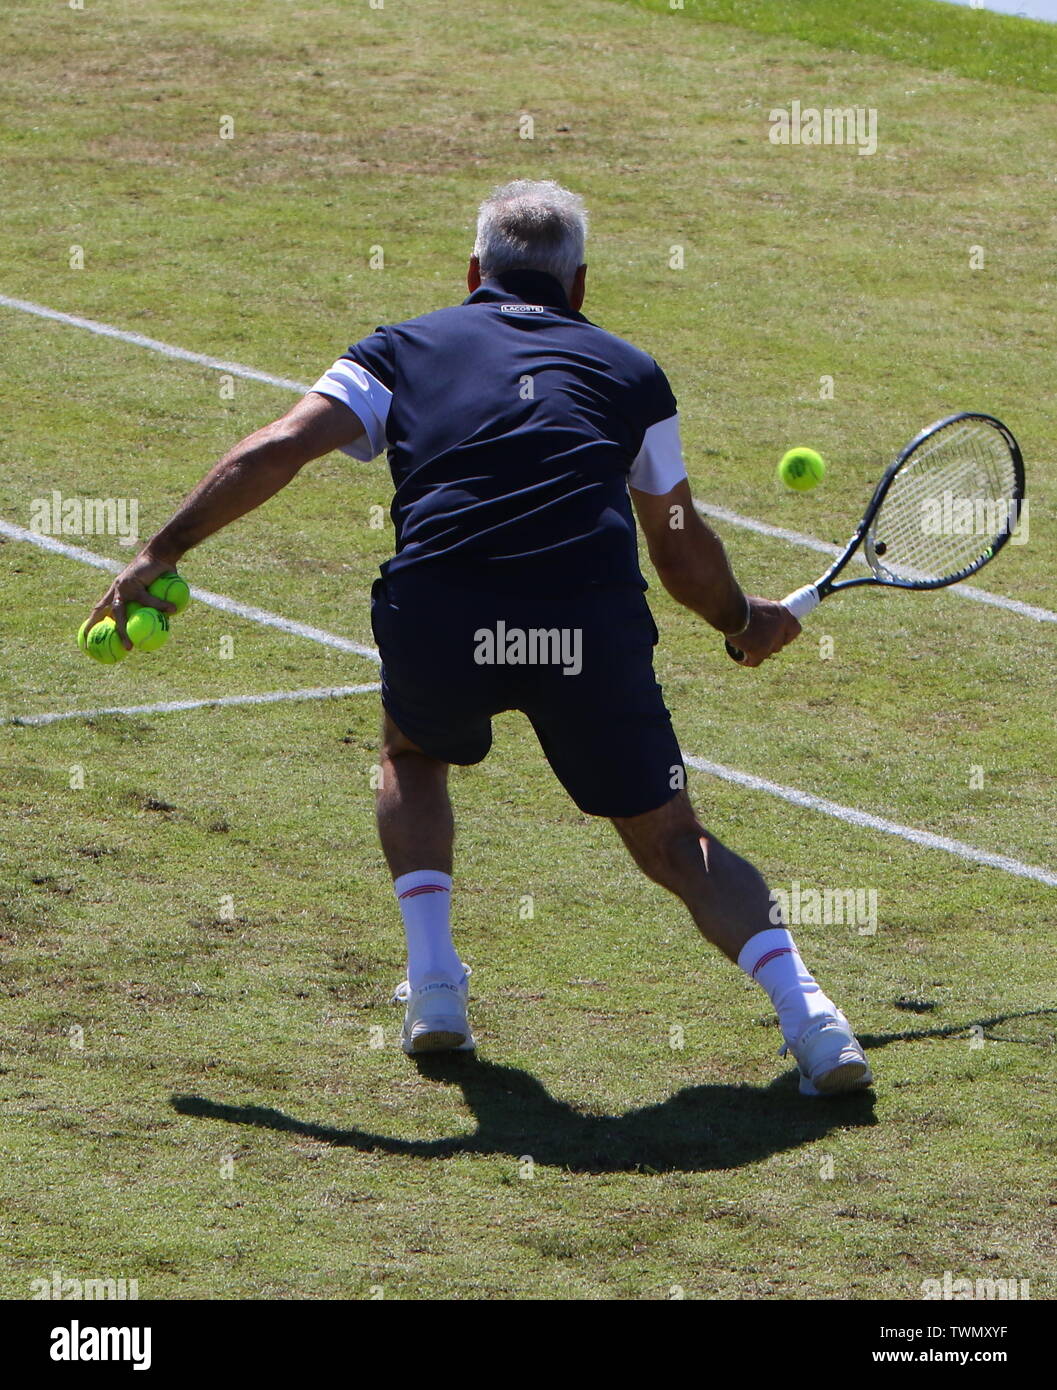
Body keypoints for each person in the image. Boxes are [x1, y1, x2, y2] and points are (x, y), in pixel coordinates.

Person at [86, 179, 872, 1097]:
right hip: (586, 626)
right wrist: (743, 622)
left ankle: (434, 990)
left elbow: (278, 447)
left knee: (412, 753)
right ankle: (814, 1022)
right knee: (669, 842)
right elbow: (679, 547)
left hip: (445, 615)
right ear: (577, 286)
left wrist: (160, 549)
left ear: (472, 272)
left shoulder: (397, 351)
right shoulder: (631, 374)